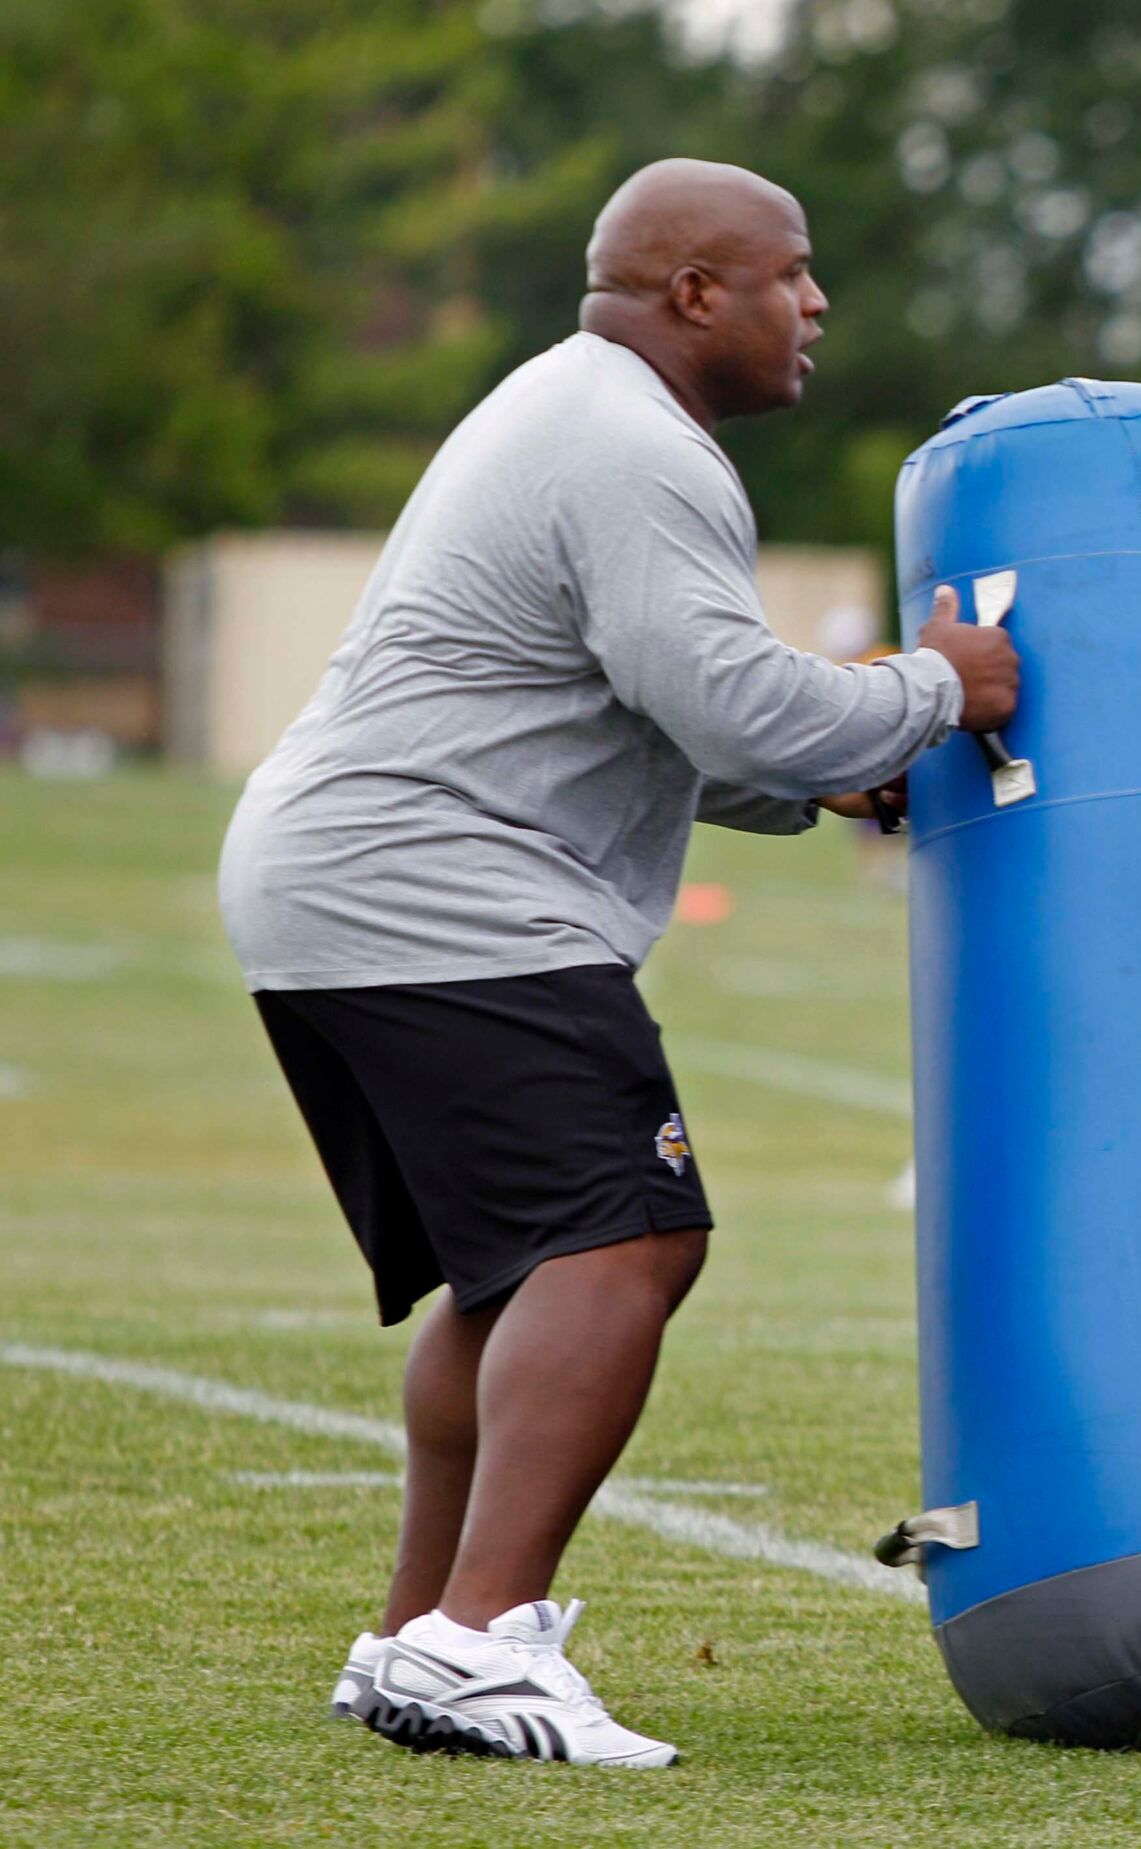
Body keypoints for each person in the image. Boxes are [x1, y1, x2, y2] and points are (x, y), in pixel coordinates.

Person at [217, 159, 1019, 1765]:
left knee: (513, 1271)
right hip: (435, 889)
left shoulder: (571, 409)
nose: (817, 305)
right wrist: (937, 686)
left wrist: (827, 771)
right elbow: (729, 704)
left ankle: (413, 1633)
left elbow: (656, 719)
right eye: (790, 274)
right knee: (628, 1240)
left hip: (340, 883)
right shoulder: (637, 446)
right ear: (694, 293)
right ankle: (478, 1633)